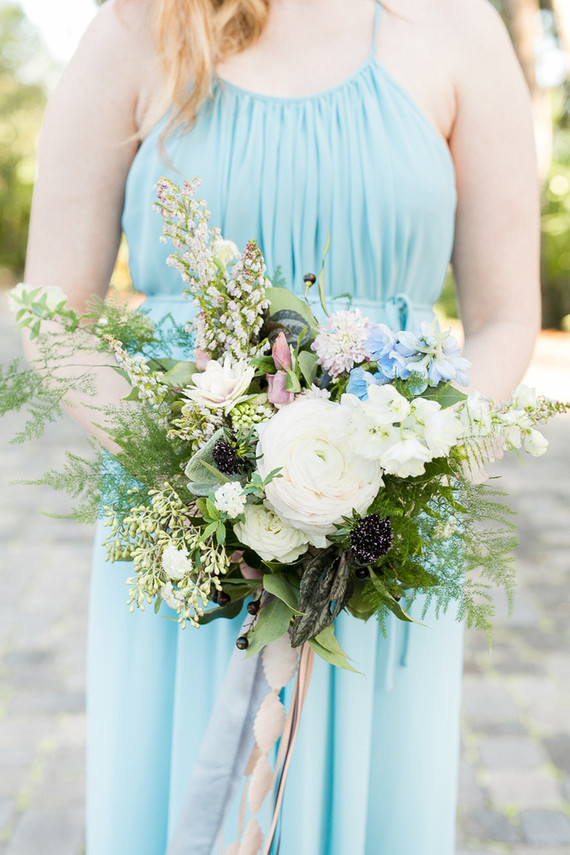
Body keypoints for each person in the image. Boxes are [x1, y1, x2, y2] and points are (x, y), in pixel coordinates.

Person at [23, 0, 540, 852]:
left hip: (386, 538)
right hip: (188, 541)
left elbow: (507, 317)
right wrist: (187, 478)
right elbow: (55, 310)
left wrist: (404, 471)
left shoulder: (457, 26)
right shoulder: (139, 27)